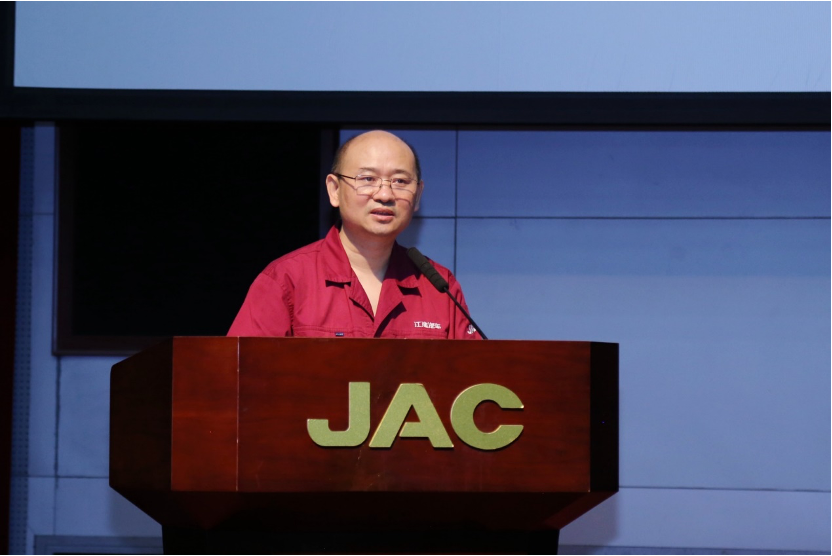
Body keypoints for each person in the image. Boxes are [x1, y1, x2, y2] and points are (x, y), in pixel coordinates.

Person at [228, 130, 481, 339]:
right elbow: (238, 374)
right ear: (334, 190)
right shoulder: (286, 280)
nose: (385, 195)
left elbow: (474, 375)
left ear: (418, 196)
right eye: (368, 179)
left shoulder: (438, 286)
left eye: (400, 182)